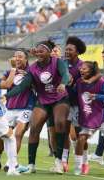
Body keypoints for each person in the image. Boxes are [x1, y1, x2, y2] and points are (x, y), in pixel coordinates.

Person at [5, 39, 70, 174]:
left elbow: (65, 74)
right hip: (43, 100)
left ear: (49, 52)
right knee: (34, 128)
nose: (39, 53)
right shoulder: (33, 68)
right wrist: (8, 95)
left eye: (42, 51)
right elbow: (22, 86)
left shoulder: (57, 62)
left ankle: (58, 162)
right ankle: (31, 165)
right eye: (38, 51)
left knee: (60, 123)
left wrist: (63, 83)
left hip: (60, 98)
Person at [0, 50, 36, 172]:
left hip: (26, 107)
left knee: (17, 134)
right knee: (1, 135)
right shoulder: (10, 72)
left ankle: (10, 164)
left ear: (26, 59)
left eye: (20, 56)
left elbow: (37, 85)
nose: (17, 58)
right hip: (11, 108)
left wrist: (31, 78)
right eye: (15, 56)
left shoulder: (32, 71)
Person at [73, 61, 104, 175]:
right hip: (84, 116)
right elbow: (73, 93)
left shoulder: (101, 82)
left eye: (84, 69)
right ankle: (80, 165)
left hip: (98, 115)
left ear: (91, 71)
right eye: (81, 68)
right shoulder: (79, 82)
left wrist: (98, 96)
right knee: (81, 140)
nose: (81, 70)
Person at [62, 36, 87, 172]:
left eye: (70, 49)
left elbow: (86, 84)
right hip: (64, 104)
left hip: (78, 104)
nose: (67, 51)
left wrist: (74, 84)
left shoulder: (82, 66)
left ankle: (84, 161)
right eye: (66, 49)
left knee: (79, 135)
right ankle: (64, 161)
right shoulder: (62, 63)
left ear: (77, 52)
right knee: (64, 132)